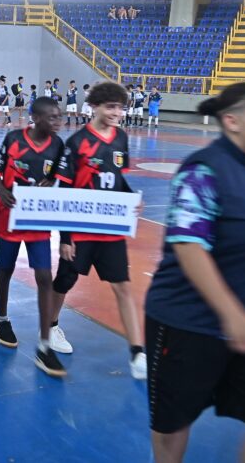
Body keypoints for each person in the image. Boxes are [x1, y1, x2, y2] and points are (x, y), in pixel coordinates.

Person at [145, 82, 245, 463]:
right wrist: (232, 316)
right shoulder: (203, 170)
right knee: (173, 427)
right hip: (190, 323)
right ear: (231, 121)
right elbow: (189, 244)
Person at [46, 82, 145, 379]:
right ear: (95, 107)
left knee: (122, 286)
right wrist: (65, 237)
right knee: (65, 279)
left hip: (110, 228)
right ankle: (49, 327)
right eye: (110, 107)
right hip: (80, 227)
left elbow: (119, 180)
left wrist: (131, 198)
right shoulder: (77, 143)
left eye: (120, 107)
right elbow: (64, 190)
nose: (116, 113)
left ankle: (137, 351)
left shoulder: (121, 138)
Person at [0, 98, 64, 370]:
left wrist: (49, 183)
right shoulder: (13, 139)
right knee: (6, 268)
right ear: (36, 118)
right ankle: (1, 318)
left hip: (36, 215)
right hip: (9, 214)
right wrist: (2, 191)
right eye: (53, 117)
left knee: (44, 276)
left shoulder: (57, 145)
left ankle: (44, 344)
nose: (58, 122)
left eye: (60, 117)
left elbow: (55, 176)